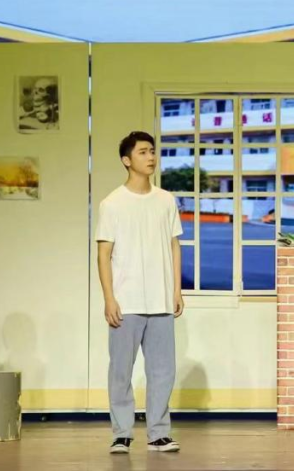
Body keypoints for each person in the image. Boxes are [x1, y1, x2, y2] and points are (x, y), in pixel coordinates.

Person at [96, 131, 185, 455]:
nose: (151, 157)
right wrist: (109, 297)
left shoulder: (166, 200)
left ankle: (159, 433)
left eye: (152, 151)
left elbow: (174, 245)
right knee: (121, 370)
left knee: (162, 372)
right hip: (126, 301)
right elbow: (104, 253)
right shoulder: (112, 204)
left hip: (161, 300)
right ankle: (121, 433)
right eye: (143, 152)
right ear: (127, 160)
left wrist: (176, 289)